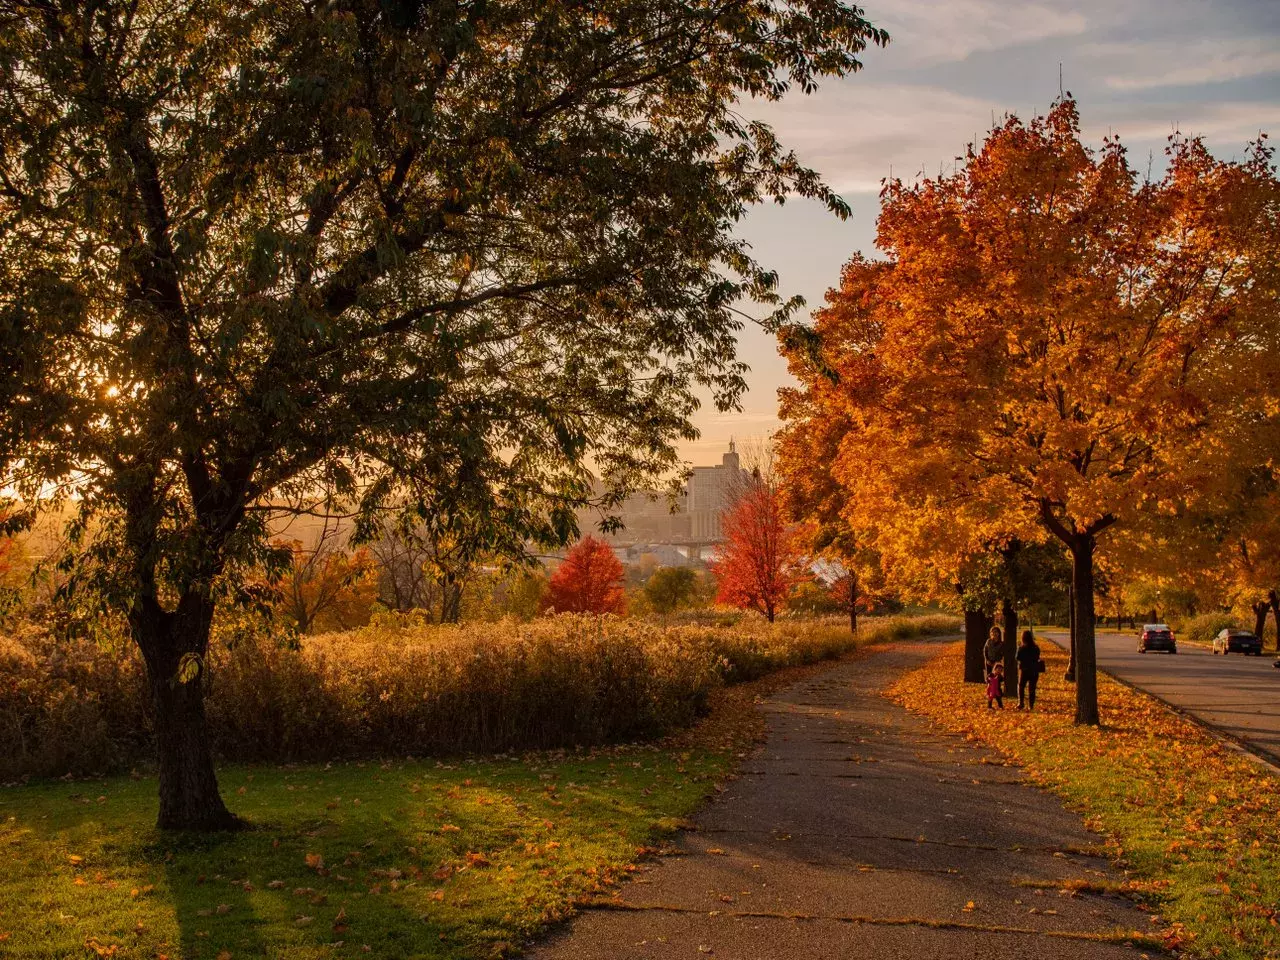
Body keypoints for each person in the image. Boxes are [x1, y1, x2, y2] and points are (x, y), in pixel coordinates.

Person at [1016, 629, 1042, 710]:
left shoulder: (1021, 648)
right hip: (1034, 670)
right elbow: (1037, 657)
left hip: (1024, 670)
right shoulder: (1036, 647)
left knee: (1021, 686)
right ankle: (1031, 705)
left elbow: (1017, 657)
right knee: (1032, 688)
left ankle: (1021, 703)